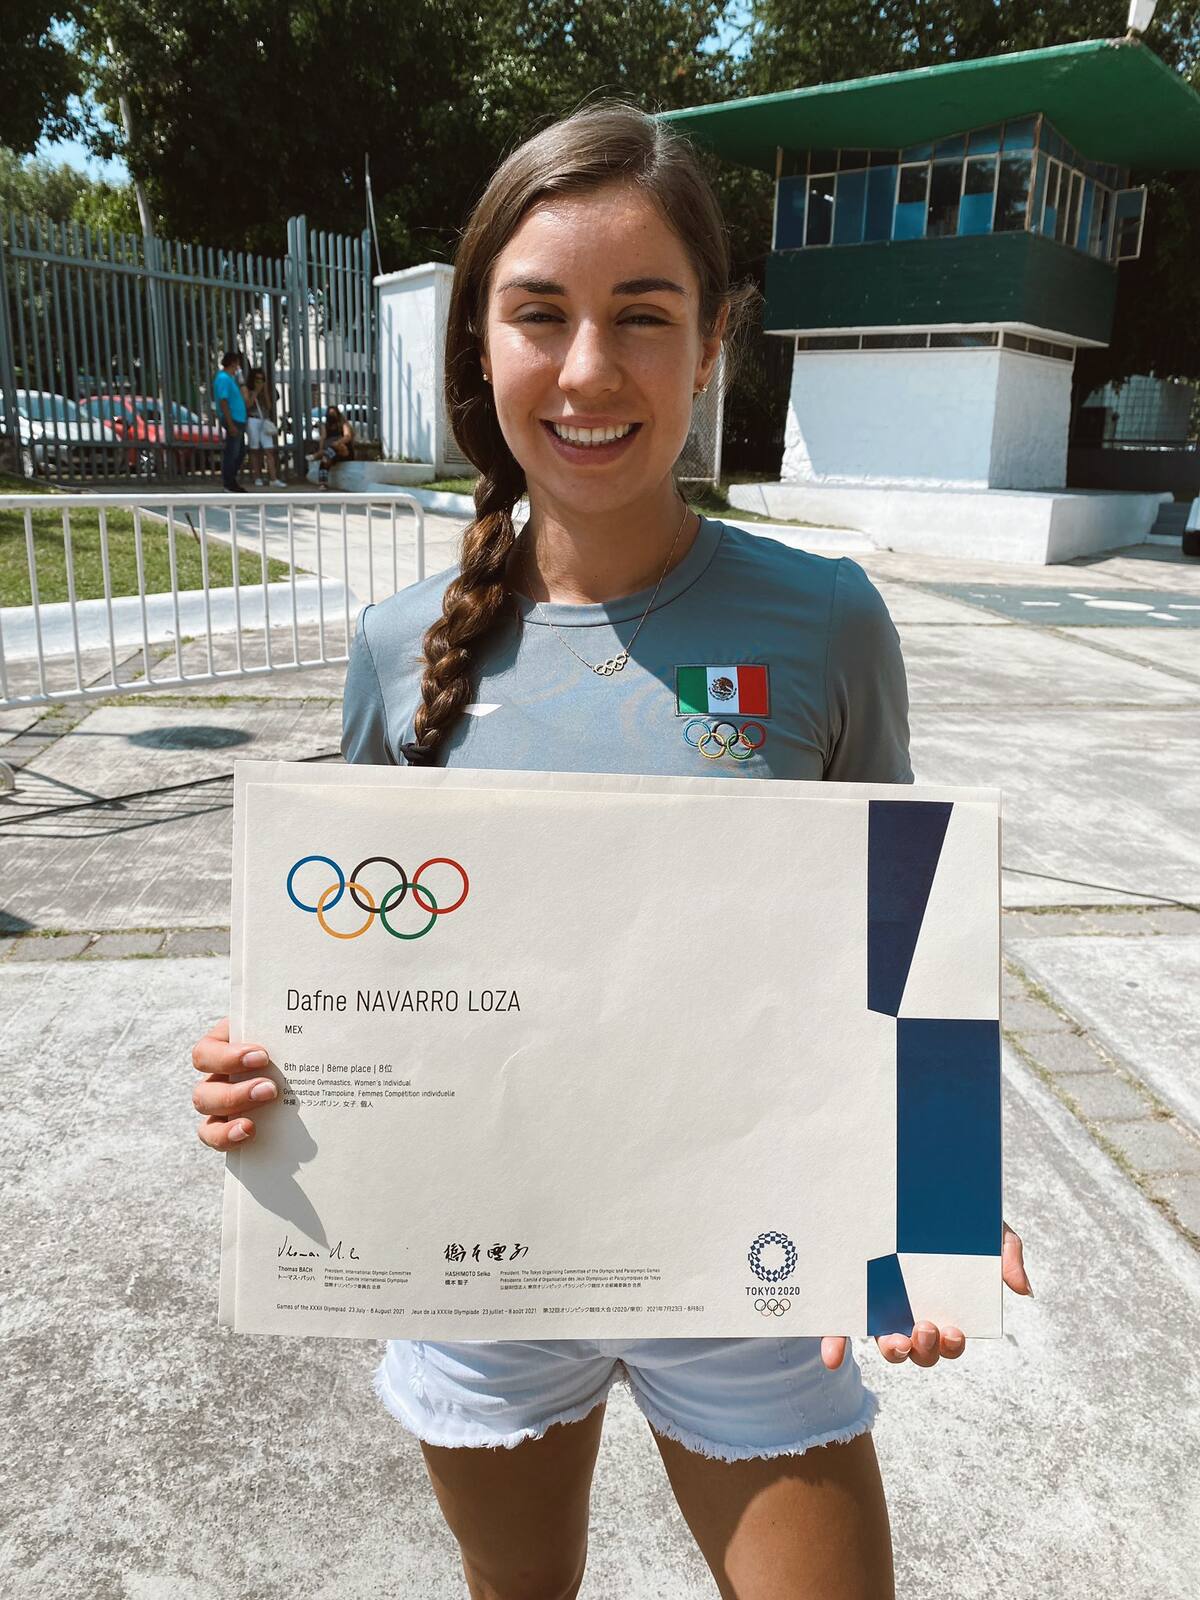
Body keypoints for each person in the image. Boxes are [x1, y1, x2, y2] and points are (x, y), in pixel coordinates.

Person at [190, 101, 1032, 1599]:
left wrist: (935, 1186)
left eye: (643, 318)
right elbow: (354, 962)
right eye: (540, 316)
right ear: (481, 347)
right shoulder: (397, 648)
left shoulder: (827, 621)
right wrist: (269, 1074)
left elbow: (904, 918)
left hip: (751, 1258)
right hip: (481, 1269)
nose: (588, 371)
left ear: (714, 345)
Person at [212, 351, 247, 492]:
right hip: (233, 419)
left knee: (240, 451)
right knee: (233, 452)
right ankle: (229, 482)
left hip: (238, 419)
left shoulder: (229, 379)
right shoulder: (223, 378)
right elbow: (224, 401)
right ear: (233, 363)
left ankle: (231, 479)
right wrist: (230, 423)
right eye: (237, 363)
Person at [246, 367, 285, 487]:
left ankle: (273, 478)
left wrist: (265, 391)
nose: (259, 382)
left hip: (264, 420)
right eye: (257, 379)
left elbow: (268, 406)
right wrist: (256, 392)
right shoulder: (248, 390)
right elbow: (248, 405)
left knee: (269, 449)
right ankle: (257, 477)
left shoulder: (265, 391)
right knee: (254, 450)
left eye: (262, 379)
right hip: (252, 419)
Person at [307, 404, 354, 488]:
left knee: (335, 447)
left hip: (344, 451)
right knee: (325, 460)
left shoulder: (343, 424)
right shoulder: (326, 426)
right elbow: (323, 437)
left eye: (333, 413)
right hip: (331, 452)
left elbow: (348, 436)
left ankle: (317, 455)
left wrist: (338, 442)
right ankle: (323, 483)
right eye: (330, 413)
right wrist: (321, 449)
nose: (332, 415)